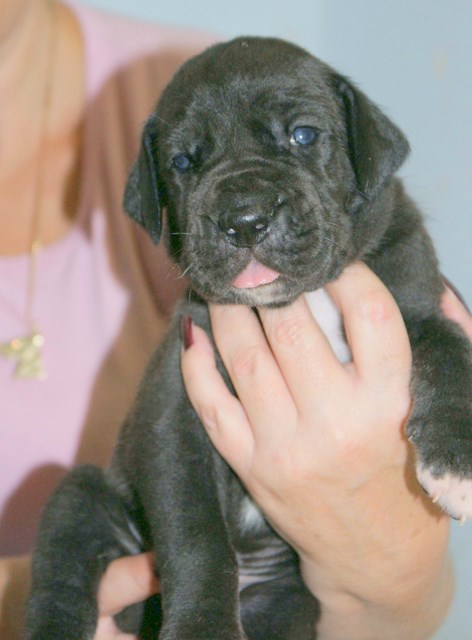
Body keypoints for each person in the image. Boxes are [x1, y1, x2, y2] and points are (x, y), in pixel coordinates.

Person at [0, 2, 470, 639]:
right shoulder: (202, 301)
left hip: (288, 587)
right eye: (187, 164)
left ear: (364, 146)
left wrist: (451, 422)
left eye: (302, 137)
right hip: (151, 552)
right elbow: (168, 436)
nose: (245, 211)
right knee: (82, 505)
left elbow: (434, 331)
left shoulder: (393, 246)